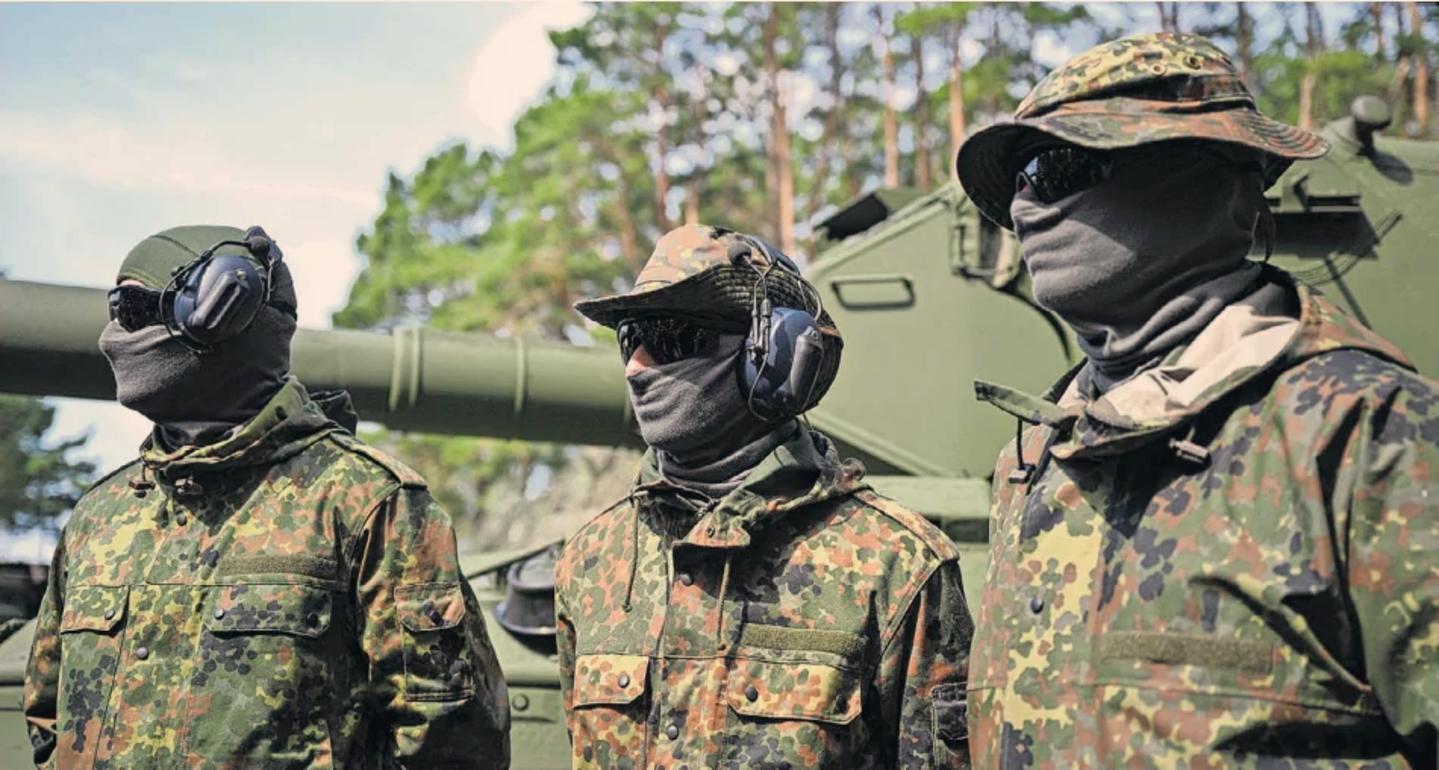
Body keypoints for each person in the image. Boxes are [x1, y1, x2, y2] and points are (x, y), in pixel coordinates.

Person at [956, 32, 1439, 768]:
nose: (1025, 205)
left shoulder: (1371, 433)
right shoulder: (1034, 457)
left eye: (1059, 165)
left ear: (1206, 176)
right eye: (1020, 175)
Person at [23, 225, 510, 769]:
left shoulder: (365, 504)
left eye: (134, 310)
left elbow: (454, 745)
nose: (114, 334)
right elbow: (49, 721)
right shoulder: (100, 516)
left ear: (221, 311)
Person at [556, 224, 974, 770]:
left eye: (670, 337)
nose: (637, 366)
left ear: (771, 354)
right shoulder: (593, 560)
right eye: (628, 336)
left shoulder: (896, 567)